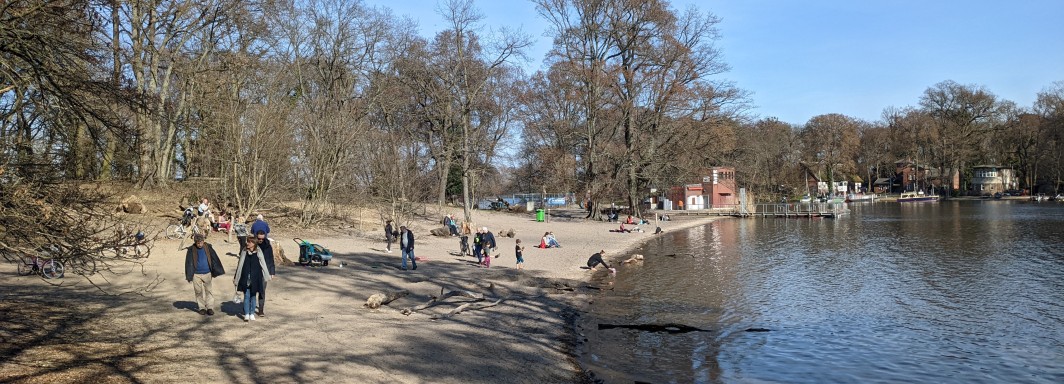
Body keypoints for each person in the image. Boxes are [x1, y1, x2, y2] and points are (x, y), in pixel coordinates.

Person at [184, 234, 225, 316]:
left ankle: (210, 308)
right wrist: (189, 276)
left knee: (209, 291)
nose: (199, 244)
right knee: (198, 291)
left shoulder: (208, 248)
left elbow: (215, 259)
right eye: (198, 243)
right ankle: (202, 308)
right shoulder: (191, 250)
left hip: (207, 273)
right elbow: (188, 263)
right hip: (196, 274)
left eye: (201, 242)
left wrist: (216, 270)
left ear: (203, 241)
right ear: (195, 242)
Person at [234, 234, 271, 322]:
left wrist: (267, 275)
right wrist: (236, 277)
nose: (247, 243)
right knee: (246, 296)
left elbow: (263, 264)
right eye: (247, 241)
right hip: (245, 277)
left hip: (256, 277)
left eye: (249, 242)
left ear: (254, 243)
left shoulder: (258, 251)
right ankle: (246, 314)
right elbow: (240, 265)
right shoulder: (244, 251)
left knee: (253, 296)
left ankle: (252, 313)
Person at [252, 231, 277, 316]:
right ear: (256, 237)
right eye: (259, 239)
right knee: (252, 290)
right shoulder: (252, 244)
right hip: (254, 270)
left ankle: (261, 309)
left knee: (262, 290)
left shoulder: (268, 246)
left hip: (264, 271)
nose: (261, 240)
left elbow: (271, 259)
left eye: (262, 239)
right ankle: (250, 307)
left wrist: (272, 271)